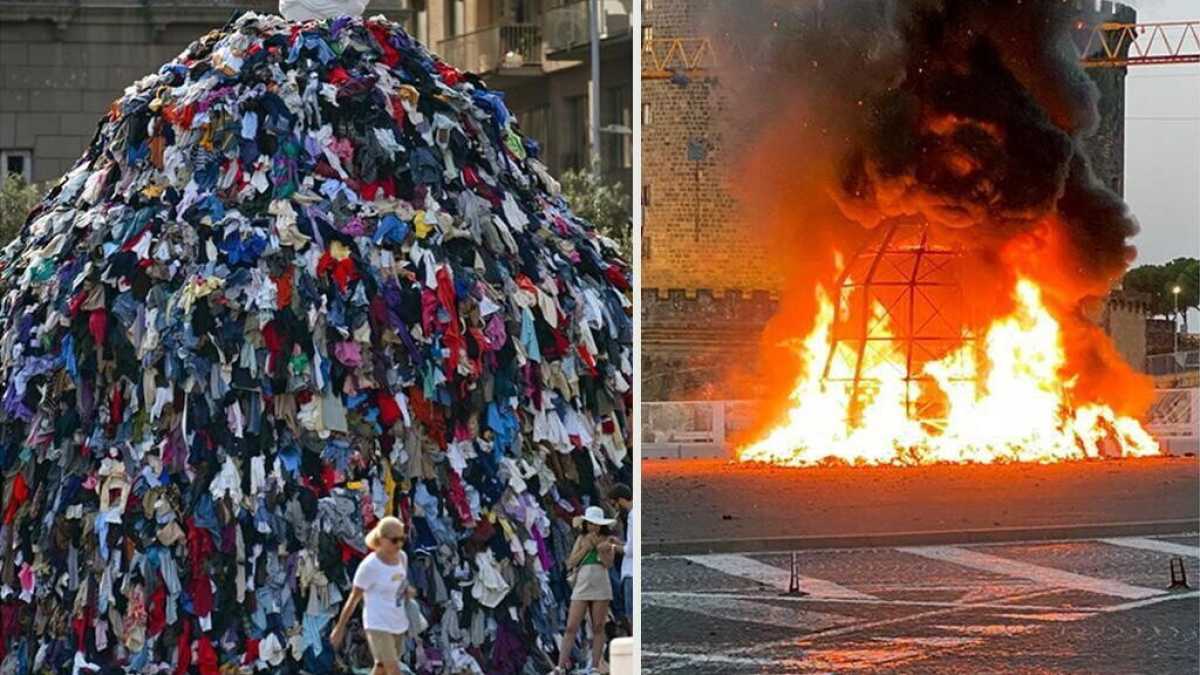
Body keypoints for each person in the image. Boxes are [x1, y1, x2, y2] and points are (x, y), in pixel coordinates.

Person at [331, 516, 412, 675]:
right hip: (377, 624)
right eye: (394, 540)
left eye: (402, 539)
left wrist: (407, 591)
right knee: (393, 669)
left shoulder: (402, 557)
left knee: (381, 667)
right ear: (381, 539)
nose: (399, 544)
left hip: (397, 621)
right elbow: (353, 599)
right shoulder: (369, 566)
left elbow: (400, 582)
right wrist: (339, 629)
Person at [553, 506, 622, 675]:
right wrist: (586, 548)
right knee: (571, 626)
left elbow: (608, 564)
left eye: (596, 524)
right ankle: (560, 666)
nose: (593, 527)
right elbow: (570, 562)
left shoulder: (608, 539)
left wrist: (602, 549)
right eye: (591, 524)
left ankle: (595, 667)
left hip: (600, 584)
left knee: (598, 626)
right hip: (583, 583)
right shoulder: (581, 539)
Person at [608, 483, 634, 634]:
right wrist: (619, 543)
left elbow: (630, 550)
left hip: (630, 572)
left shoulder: (631, 516)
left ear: (621, 500)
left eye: (615, 504)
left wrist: (611, 547)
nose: (616, 508)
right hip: (630, 571)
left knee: (631, 617)